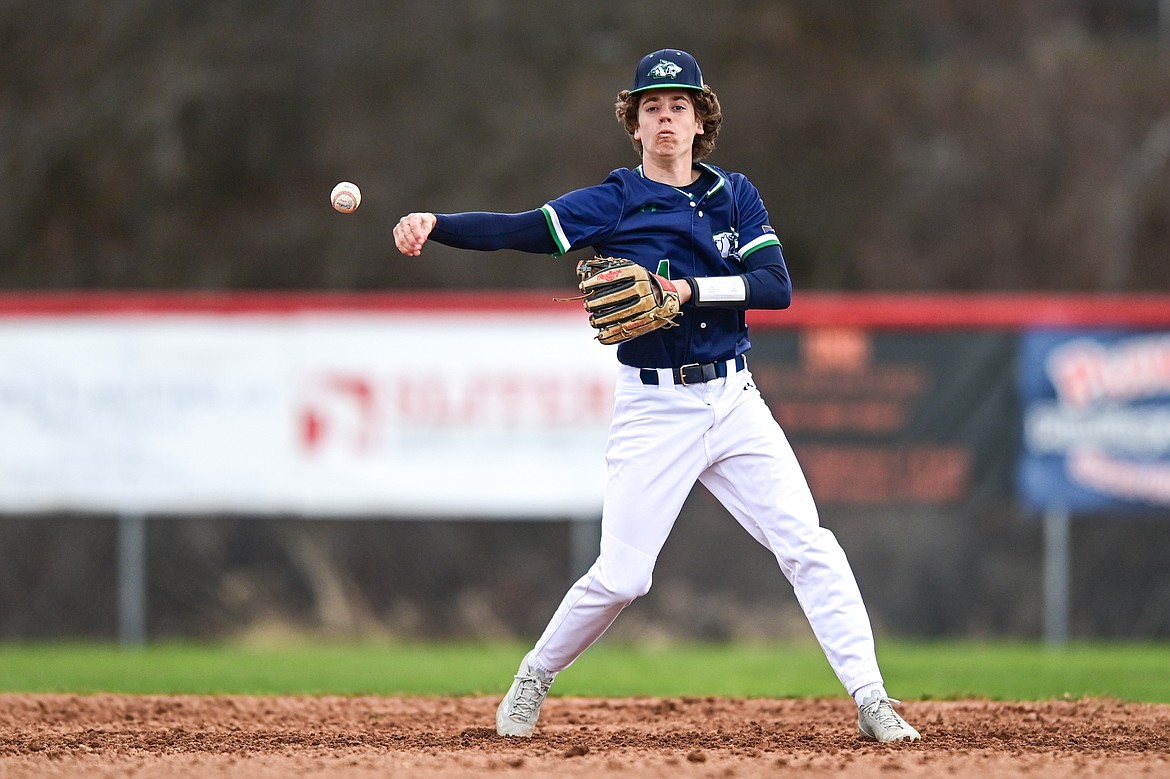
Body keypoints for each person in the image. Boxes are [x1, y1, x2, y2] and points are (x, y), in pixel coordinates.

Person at [393, 48, 920, 744]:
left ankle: (871, 697)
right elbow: (524, 228)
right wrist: (438, 224)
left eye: (679, 105)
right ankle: (536, 673)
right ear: (634, 124)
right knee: (623, 578)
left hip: (734, 399)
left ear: (702, 121)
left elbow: (775, 287)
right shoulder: (615, 200)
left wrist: (687, 290)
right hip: (654, 406)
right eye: (652, 107)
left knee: (808, 545)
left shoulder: (735, 195)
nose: (666, 117)